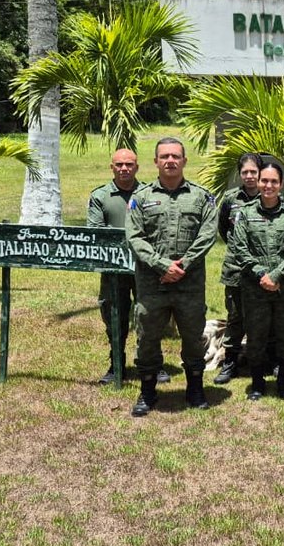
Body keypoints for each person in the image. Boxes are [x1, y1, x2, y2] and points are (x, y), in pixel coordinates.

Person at [125, 137, 218, 416]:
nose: (170, 161)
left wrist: (183, 265)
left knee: (192, 336)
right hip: (152, 284)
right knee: (147, 337)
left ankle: (195, 388)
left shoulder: (202, 197)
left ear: (184, 161)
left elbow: (208, 234)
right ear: (155, 162)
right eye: (164, 156)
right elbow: (135, 236)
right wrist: (161, 265)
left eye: (175, 156)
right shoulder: (140, 198)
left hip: (189, 285)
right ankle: (148, 392)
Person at [228, 161, 284, 401]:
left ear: (280, 185)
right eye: (264, 181)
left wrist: (276, 275)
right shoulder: (246, 213)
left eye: (274, 181)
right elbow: (240, 248)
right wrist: (263, 274)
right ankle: (258, 382)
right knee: (256, 334)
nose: (268, 185)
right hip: (254, 286)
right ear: (258, 182)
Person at [87, 149, 167, 384]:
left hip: (145, 267)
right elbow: (96, 233)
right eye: (119, 164)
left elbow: (157, 229)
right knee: (114, 317)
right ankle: (116, 365)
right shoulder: (101, 196)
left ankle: (153, 363)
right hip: (114, 270)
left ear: (137, 167)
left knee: (149, 316)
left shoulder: (148, 194)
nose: (124, 168)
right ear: (112, 167)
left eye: (129, 164)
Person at [213, 152, 262, 385]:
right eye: (245, 172)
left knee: (262, 316)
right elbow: (224, 230)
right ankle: (230, 362)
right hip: (236, 269)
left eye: (254, 171)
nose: (250, 176)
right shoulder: (231, 200)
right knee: (235, 317)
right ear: (239, 174)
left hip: (262, 268)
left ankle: (259, 361)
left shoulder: (269, 196)